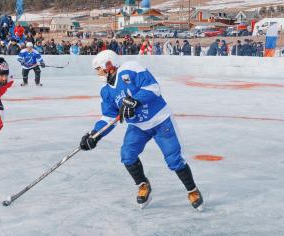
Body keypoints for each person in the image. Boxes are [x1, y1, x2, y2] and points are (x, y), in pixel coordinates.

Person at [79, 50, 204, 210]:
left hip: (160, 120)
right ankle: (143, 185)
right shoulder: (106, 91)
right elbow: (108, 117)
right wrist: (94, 135)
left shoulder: (130, 68)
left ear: (108, 65)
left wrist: (135, 101)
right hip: (138, 127)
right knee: (127, 155)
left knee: (174, 159)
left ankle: (192, 190)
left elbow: (153, 88)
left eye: (99, 69)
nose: (98, 73)